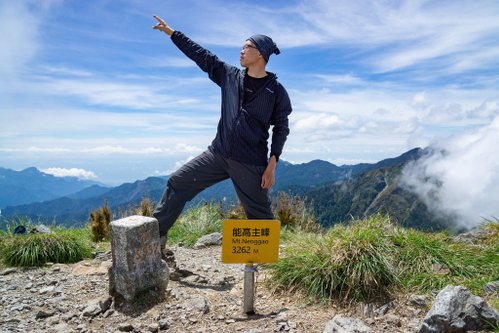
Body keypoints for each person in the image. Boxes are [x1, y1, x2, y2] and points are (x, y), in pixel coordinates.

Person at [152, 15, 292, 253]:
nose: (241, 50)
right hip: (217, 154)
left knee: (260, 216)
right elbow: (202, 55)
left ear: (260, 54)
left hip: (250, 161)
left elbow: (281, 128)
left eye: (247, 46)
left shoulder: (276, 91)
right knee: (177, 182)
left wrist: (272, 164)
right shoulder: (229, 76)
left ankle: (274, 265)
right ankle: (153, 241)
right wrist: (172, 33)